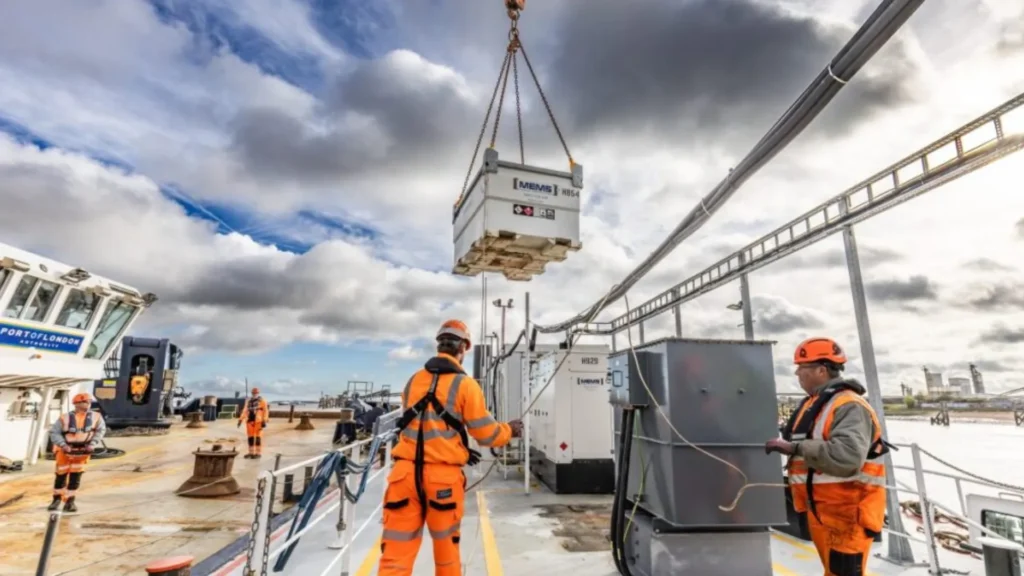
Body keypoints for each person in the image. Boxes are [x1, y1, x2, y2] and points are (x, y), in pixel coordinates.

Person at [378, 319, 522, 576]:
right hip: (442, 481)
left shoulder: (412, 381)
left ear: (439, 346)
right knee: (446, 554)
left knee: (394, 559)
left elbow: (421, 426)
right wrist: (510, 430)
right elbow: (487, 434)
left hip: (403, 477)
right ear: (463, 348)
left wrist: (461, 450)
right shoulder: (466, 385)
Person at [766, 337, 891, 576]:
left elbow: (846, 458)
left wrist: (795, 449)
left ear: (821, 370)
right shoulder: (817, 403)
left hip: (848, 513)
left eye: (801, 368)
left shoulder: (848, 406)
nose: (796, 374)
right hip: (824, 511)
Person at [48, 392, 106, 512]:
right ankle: (56, 500)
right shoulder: (64, 417)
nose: (88, 404)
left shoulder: (96, 417)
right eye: (85, 402)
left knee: (75, 477)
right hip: (64, 451)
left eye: (89, 402)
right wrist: (63, 445)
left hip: (82, 452)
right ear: (76, 404)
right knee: (60, 476)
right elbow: (54, 432)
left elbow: (100, 431)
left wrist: (92, 444)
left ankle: (70, 502)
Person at [238, 387, 270, 459]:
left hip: (258, 422)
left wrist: (264, 420)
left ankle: (258, 453)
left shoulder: (262, 401)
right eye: (253, 393)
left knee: (258, 438)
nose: (254, 394)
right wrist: (240, 420)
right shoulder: (248, 401)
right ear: (252, 393)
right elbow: (245, 411)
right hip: (249, 421)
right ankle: (251, 453)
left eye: (256, 393)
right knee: (250, 438)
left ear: (258, 393)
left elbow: (266, 411)